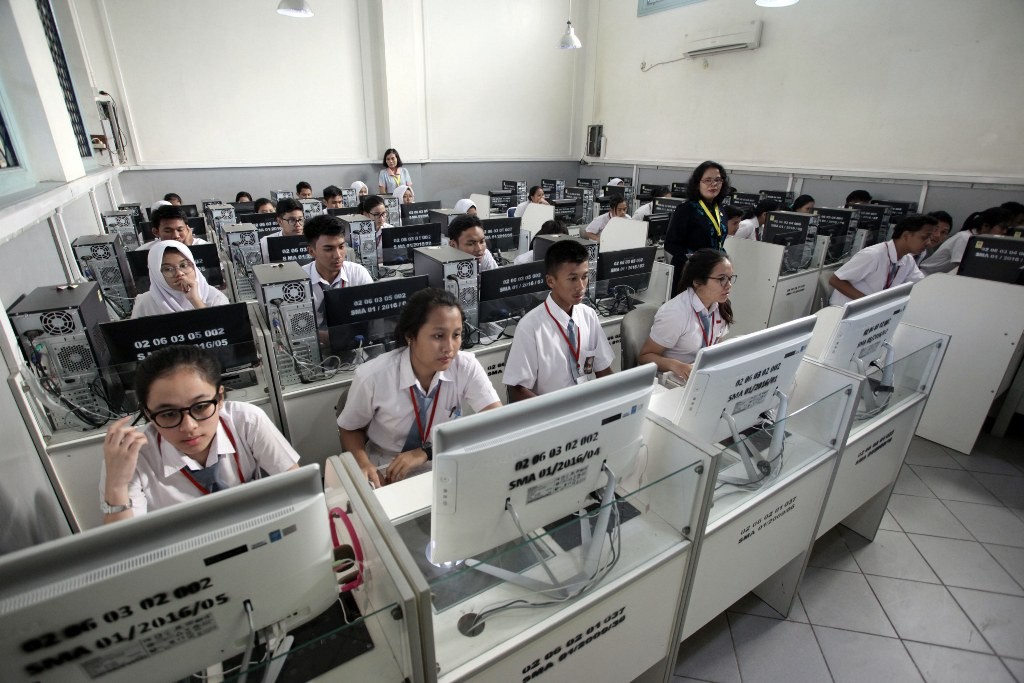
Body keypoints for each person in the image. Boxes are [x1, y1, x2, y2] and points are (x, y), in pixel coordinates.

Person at [100, 346, 300, 522]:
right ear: (147, 413)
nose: (189, 426)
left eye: (201, 407)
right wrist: (117, 486)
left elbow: (298, 489)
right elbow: (127, 551)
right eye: (168, 414)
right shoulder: (132, 456)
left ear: (220, 398)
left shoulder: (245, 421)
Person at [338, 288, 500, 486]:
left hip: (444, 462)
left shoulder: (464, 366)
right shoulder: (373, 376)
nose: (449, 347)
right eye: (438, 336)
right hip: (386, 470)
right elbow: (350, 430)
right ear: (410, 336)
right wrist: (363, 464)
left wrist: (426, 452)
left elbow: (497, 420)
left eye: (456, 335)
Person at [504, 240, 614, 401]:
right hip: (551, 414)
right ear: (551, 281)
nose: (581, 286)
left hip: (587, 406)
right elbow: (517, 390)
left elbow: (603, 370)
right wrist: (554, 413)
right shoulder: (530, 327)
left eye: (584, 277)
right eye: (572, 279)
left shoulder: (589, 316)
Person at [638, 249, 734, 383]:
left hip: (702, 377)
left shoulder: (720, 306)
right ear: (697, 282)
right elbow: (644, 357)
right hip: (672, 380)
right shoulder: (676, 312)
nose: (729, 285)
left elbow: (715, 347)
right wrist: (675, 365)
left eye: (730, 278)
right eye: (721, 279)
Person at [829, 214, 937, 305]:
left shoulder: (907, 260)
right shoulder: (873, 255)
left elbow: (920, 285)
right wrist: (871, 303)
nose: (928, 243)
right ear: (906, 235)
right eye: (924, 237)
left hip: (871, 311)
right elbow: (836, 280)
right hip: (844, 311)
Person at [302, 214, 374, 328]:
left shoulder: (357, 273)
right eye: (328, 249)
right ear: (311, 251)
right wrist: (323, 336)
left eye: (341, 247)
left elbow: (373, 315)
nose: (338, 255)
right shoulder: (300, 282)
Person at [664, 161, 730, 281]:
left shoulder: (720, 209)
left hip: (714, 271)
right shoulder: (686, 209)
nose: (713, 184)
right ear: (697, 183)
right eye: (708, 180)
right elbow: (671, 244)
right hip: (690, 273)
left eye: (718, 180)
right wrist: (695, 261)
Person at [131, 241, 228, 318]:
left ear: (194, 266)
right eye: (168, 269)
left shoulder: (215, 297)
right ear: (157, 274)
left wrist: (195, 300)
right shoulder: (144, 303)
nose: (179, 274)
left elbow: (223, 332)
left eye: (183, 265)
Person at [918, 206, 1010, 275]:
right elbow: (962, 268)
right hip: (926, 276)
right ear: (985, 226)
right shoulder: (965, 238)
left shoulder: (976, 239)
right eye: (1002, 227)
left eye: (944, 232)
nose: (1005, 232)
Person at [137, 204, 209, 250]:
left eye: (180, 230)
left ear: (188, 229)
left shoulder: (203, 247)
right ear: (156, 232)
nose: (176, 236)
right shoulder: (145, 252)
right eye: (168, 231)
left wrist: (189, 248)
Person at [260, 198, 304, 263]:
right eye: (292, 220)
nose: (298, 224)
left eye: (300, 219)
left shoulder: (313, 239)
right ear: (280, 221)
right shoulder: (266, 242)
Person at [362, 194, 392, 263]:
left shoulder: (389, 230)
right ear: (366, 214)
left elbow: (394, 255)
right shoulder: (358, 233)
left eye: (383, 214)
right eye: (376, 214)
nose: (381, 218)